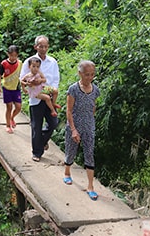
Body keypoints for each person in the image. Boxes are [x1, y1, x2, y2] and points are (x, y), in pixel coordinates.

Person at [63, 60, 100, 201]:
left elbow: (93, 107)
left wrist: (90, 122)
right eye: (86, 74)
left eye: (92, 75)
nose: (89, 77)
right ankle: (67, 172)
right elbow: (69, 110)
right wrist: (73, 129)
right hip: (74, 124)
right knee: (71, 150)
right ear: (80, 74)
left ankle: (90, 186)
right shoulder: (73, 89)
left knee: (89, 153)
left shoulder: (95, 90)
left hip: (89, 126)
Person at [19, 35, 60, 162]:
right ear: (35, 47)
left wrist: (52, 90)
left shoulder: (52, 62)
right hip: (35, 97)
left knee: (54, 122)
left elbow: (55, 79)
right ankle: (37, 152)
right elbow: (22, 78)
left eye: (45, 46)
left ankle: (42, 141)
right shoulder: (29, 61)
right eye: (41, 46)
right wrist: (28, 85)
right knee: (36, 126)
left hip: (48, 95)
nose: (43, 49)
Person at [0, 45, 22, 134]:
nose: (13, 58)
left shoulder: (20, 64)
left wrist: (24, 86)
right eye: (11, 55)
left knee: (18, 107)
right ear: (8, 54)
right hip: (7, 88)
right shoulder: (4, 64)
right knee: (9, 106)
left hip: (16, 88)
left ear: (17, 55)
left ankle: (12, 118)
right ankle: (8, 125)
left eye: (15, 56)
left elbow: (22, 76)